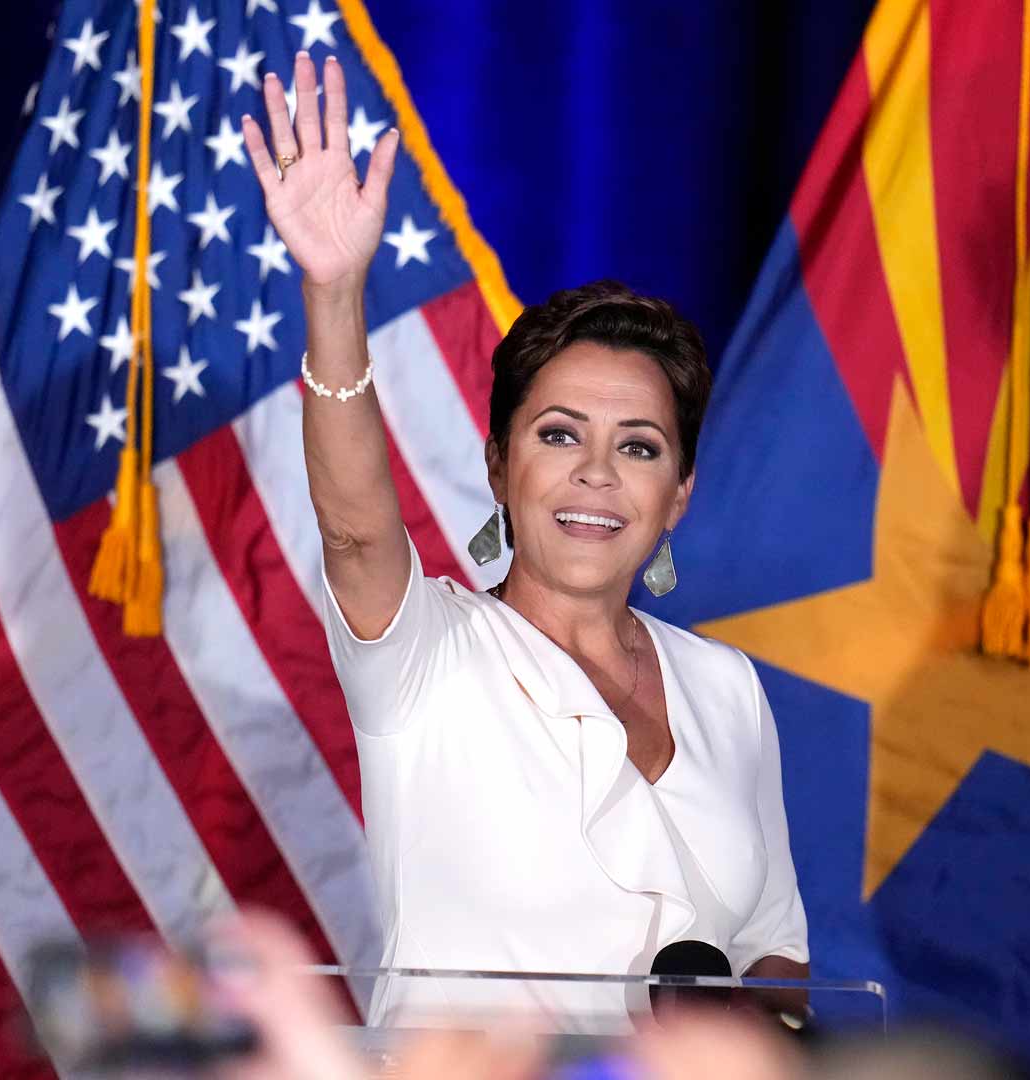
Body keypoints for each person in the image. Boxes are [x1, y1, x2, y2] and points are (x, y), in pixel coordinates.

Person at [238, 53, 809, 1032]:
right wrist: (334, 296)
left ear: (677, 497)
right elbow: (356, 526)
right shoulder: (427, 656)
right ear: (501, 468)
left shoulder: (728, 691)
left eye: (638, 446)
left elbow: (776, 951)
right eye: (559, 435)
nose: (596, 472)